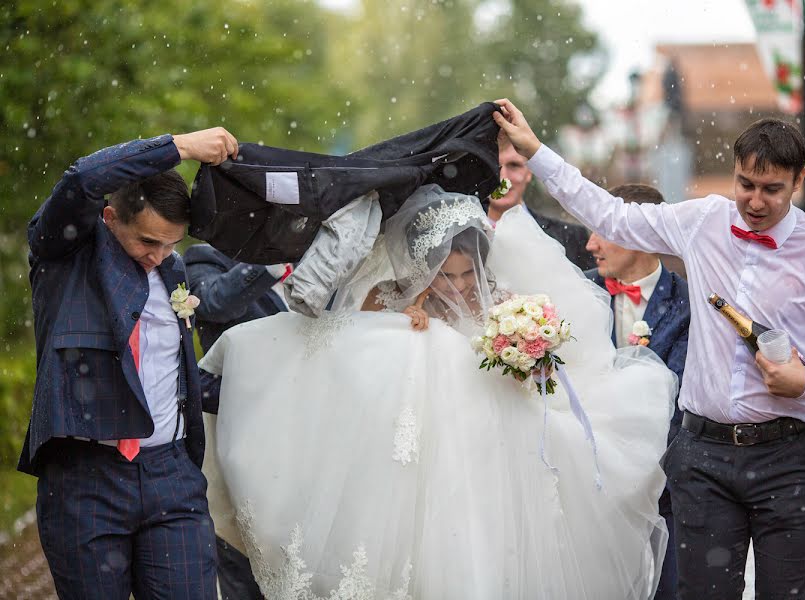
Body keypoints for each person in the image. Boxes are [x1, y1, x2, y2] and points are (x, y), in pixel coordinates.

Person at [199, 184, 678, 598]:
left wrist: (524, 360)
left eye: (469, 275)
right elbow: (353, 361)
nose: (460, 286)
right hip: (419, 457)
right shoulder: (387, 297)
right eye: (447, 276)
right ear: (423, 269)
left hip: (497, 451)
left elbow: (544, 384)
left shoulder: (508, 304)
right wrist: (396, 327)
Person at [493, 98, 805, 598]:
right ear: (735, 174)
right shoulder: (703, 220)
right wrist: (536, 151)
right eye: (746, 184)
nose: (756, 201)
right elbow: (611, 214)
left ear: (798, 180)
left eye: (772, 189)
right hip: (703, 457)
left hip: (787, 459)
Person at [21, 127, 239, 599]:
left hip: (171, 478)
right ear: (108, 217)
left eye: (169, 245)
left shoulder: (172, 270)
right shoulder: (64, 253)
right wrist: (179, 147)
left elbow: (164, 377)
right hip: (84, 483)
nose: (157, 257)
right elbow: (82, 177)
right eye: (147, 242)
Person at [583, 183, 690, 600]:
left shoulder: (689, 304)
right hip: (589, 492)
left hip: (666, 487)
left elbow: (679, 401)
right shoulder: (577, 293)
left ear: (643, 235)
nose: (590, 243)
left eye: (603, 230)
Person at [185, 245, 295, 600]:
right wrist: (272, 263)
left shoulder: (328, 252)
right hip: (242, 444)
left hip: (310, 445)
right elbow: (215, 303)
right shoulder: (204, 259)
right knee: (242, 560)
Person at [491, 142, 594, 270]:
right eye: (493, 165)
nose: (503, 178)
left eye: (514, 165)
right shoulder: (462, 235)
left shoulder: (572, 237)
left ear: (529, 172)